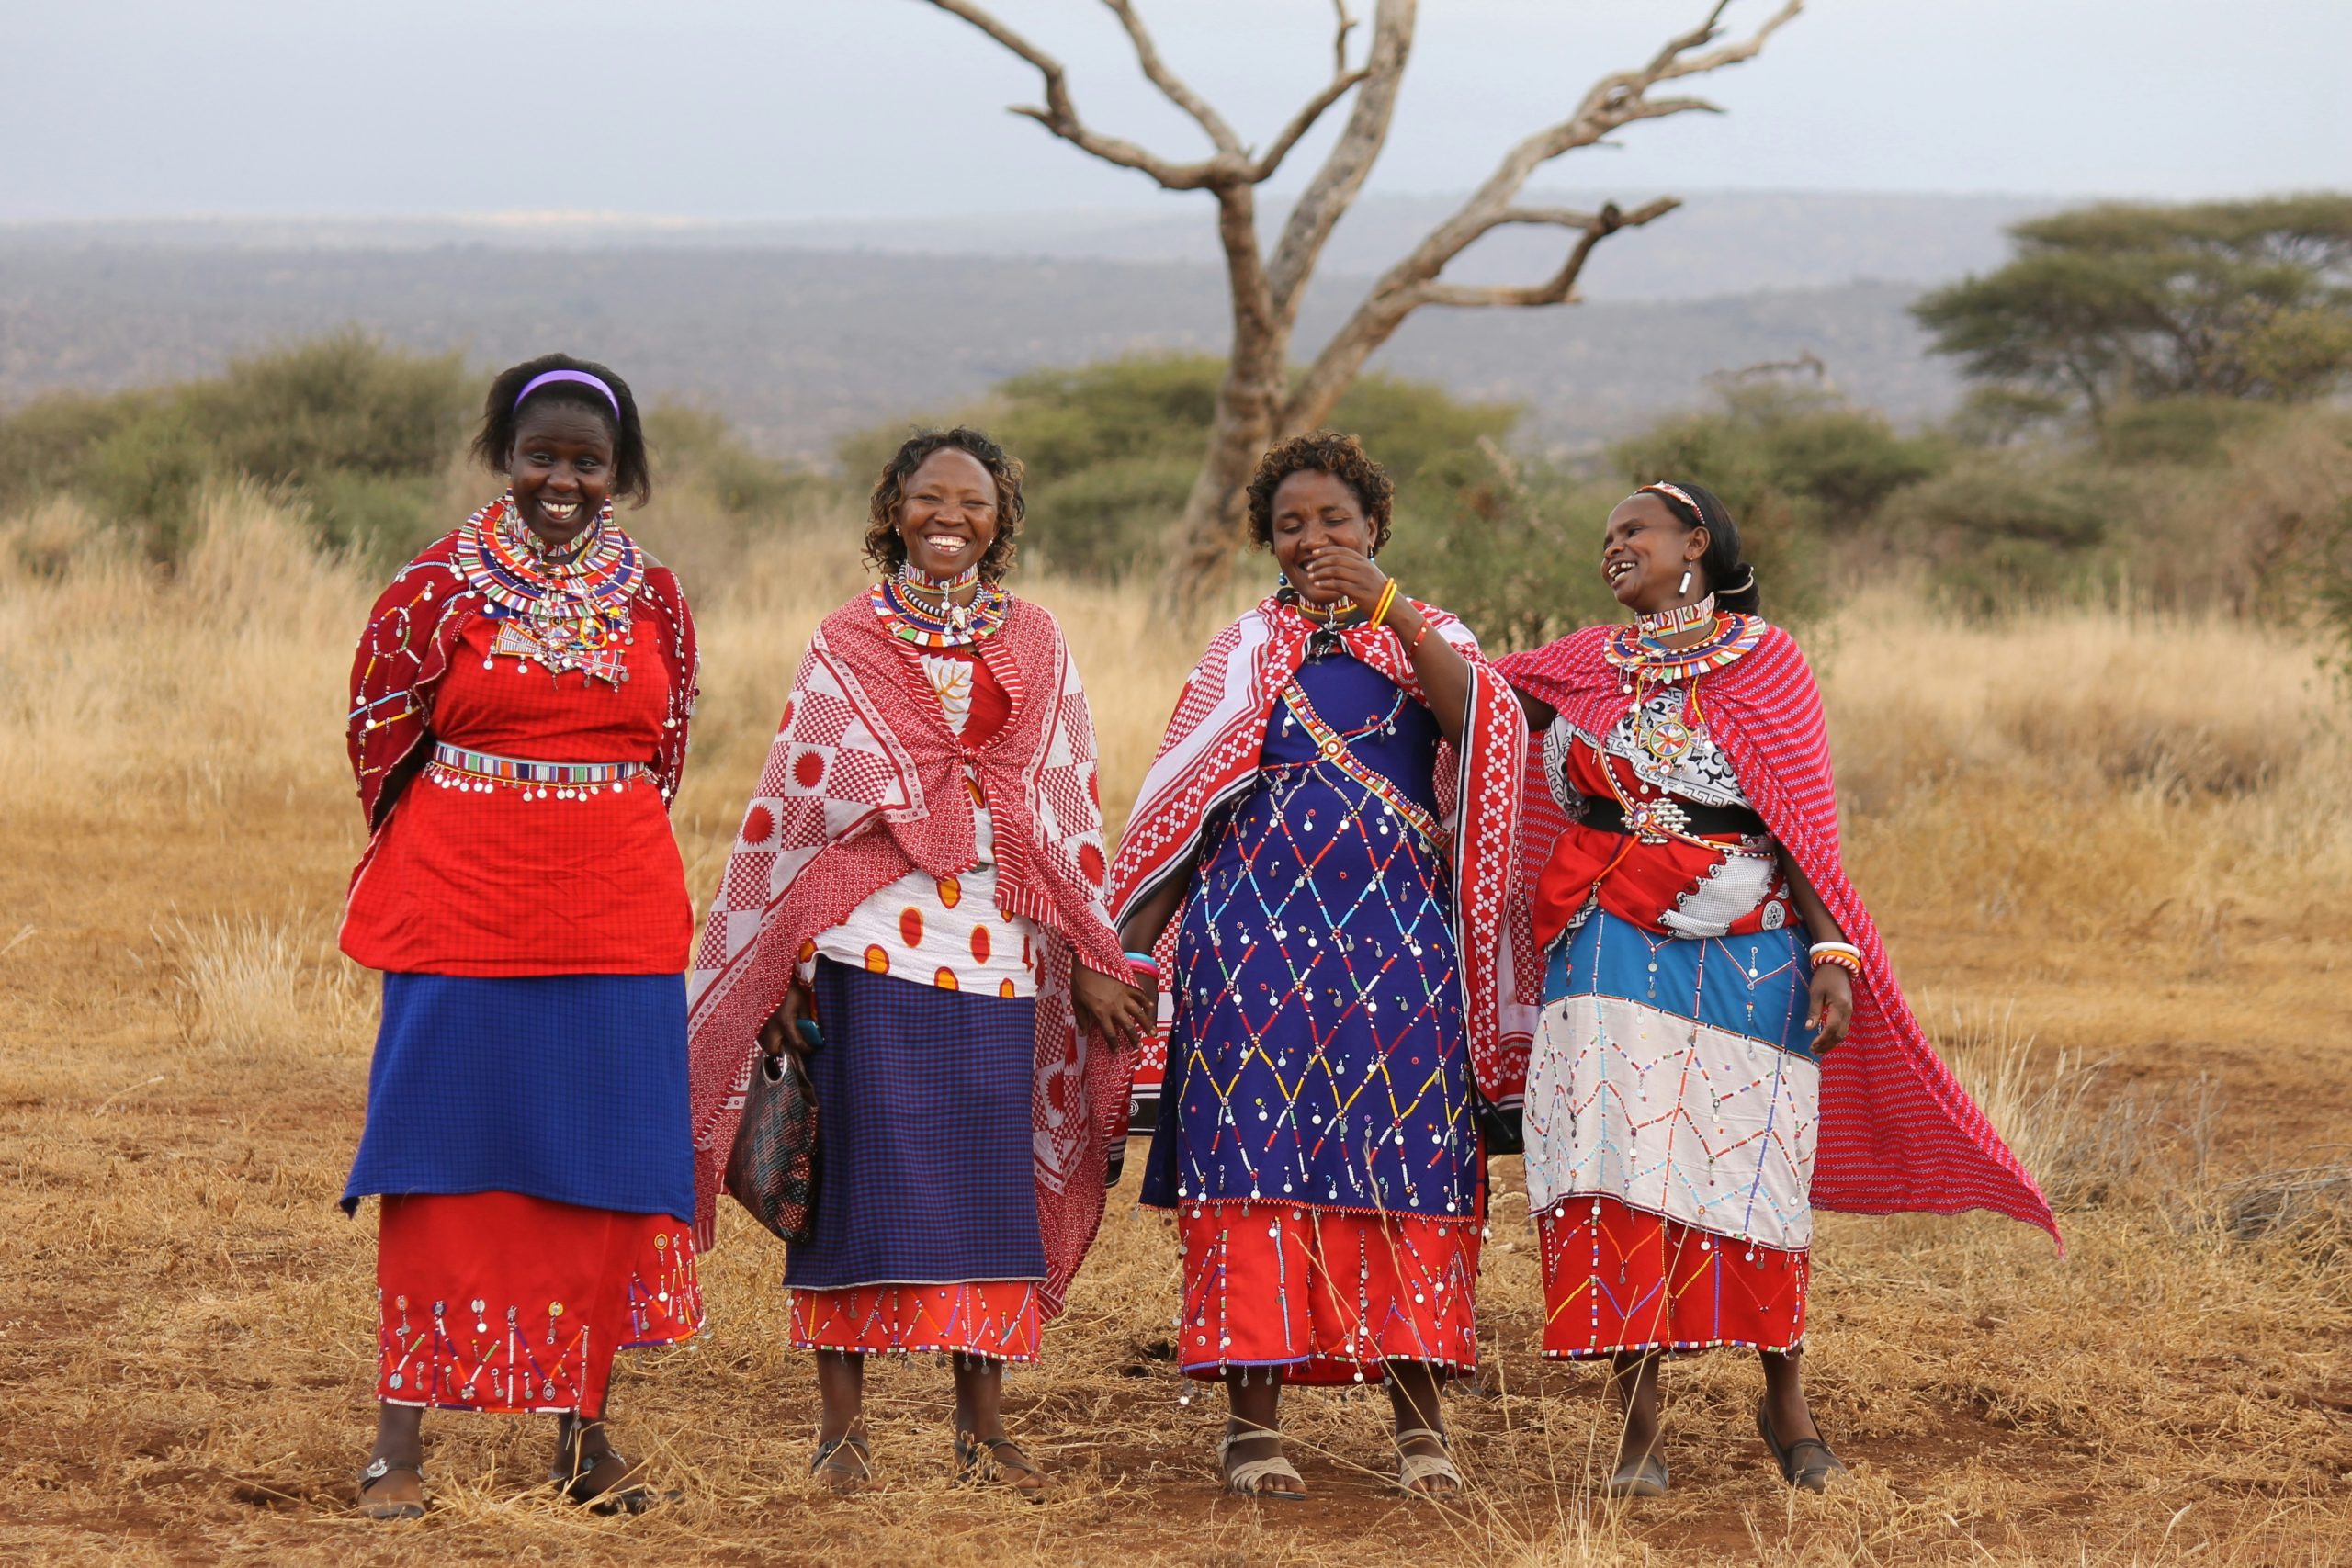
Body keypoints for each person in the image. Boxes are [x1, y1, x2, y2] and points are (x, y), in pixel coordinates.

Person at [1495, 480, 2058, 1498]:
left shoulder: (1768, 661)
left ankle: (1783, 1401)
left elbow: (1799, 823)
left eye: (1634, 530)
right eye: (1605, 536)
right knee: (1618, 1157)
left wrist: (1832, 955)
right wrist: (1389, 607)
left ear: (1694, 544)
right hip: (1603, 937)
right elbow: (1478, 715)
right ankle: (1638, 1425)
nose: (1612, 546)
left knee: (1752, 1158)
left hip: (1750, 939)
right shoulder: (1579, 665)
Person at [684, 427, 1152, 1498]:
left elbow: (1062, 804)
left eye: (974, 503)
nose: (951, 518)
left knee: (989, 1187)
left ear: (1002, 521)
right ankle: (840, 1433)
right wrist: (784, 960)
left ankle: (980, 1430)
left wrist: (1086, 951)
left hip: (1001, 951)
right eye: (930, 499)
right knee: (854, 1180)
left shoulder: (1036, 641)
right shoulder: (846, 640)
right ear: (893, 508)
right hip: (863, 943)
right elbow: (802, 801)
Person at [1109, 432, 1529, 1499]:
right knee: (1253, 1163)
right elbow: (1182, 815)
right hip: (1249, 947)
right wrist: (1122, 949)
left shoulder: (1437, 635)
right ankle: (1252, 1429)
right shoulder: (1241, 648)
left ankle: (1420, 1426)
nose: (1313, 540)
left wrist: (1390, 609)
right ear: (1266, 543)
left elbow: (1485, 733)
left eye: (1335, 521)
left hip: (1401, 948)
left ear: (1375, 528)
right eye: (1289, 526)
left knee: (1412, 1162)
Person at [339, 355, 701, 1518]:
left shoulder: (656, 602)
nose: (562, 479)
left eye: (587, 462)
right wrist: (475, 829)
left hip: (619, 912)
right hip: (460, 906)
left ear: (620, 475)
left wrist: (585, 829)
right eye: (540, 455)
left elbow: (667, 749)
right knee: (441, 1158)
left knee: (600, 1166)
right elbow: (378, 738)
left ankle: (581, 1434)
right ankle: (400, 1441)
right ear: (506, 456)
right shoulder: (434, 587)